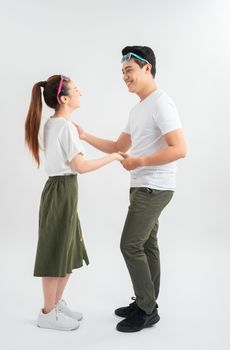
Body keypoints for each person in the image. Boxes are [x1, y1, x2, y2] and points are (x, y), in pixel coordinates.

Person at [73, 46, 187, 333]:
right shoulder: (138, 109)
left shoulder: (162, 103)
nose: (125, 77)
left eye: (129, 70)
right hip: (142, 185)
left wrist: (141, 161)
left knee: (130, 245)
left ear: (147, 68)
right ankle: (147, 302)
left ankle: (147, 309)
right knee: (147, 244)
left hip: (155, 186)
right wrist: (85, 136)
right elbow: (118, 147)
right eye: (122, 72)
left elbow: (180, 149)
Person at [24, 74, 123, 331]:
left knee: (67, 250)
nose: (81, 93)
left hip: (61, 191)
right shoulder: (64, 127)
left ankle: (55, 305)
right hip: (62, 190)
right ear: (64, 98)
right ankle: (47, 313)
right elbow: (80, 166)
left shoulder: (54, 124)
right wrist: (112, 157)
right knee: (56, 251)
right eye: (76, 90)